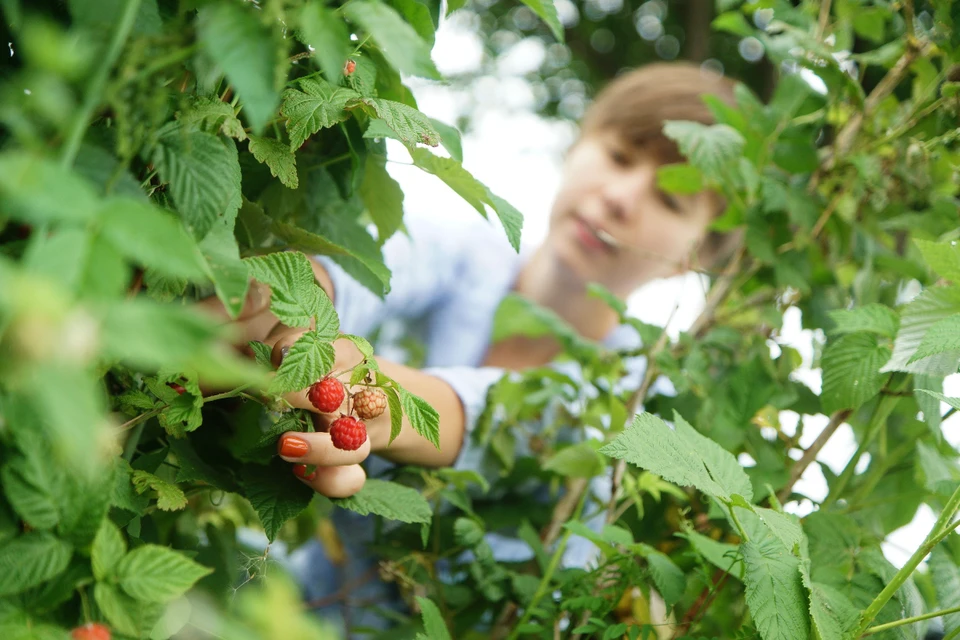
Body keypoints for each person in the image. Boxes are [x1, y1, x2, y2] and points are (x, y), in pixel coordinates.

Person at [212, 61, 742, 633]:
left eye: (671, 199)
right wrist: (290, 295)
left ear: (696, 260)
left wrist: (350, 388)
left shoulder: (631, 407)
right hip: (297, 605)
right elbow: (375, 271)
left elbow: (478, 412)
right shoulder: (470, 255)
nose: (620, 198)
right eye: (618, 156)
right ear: (579, 142)